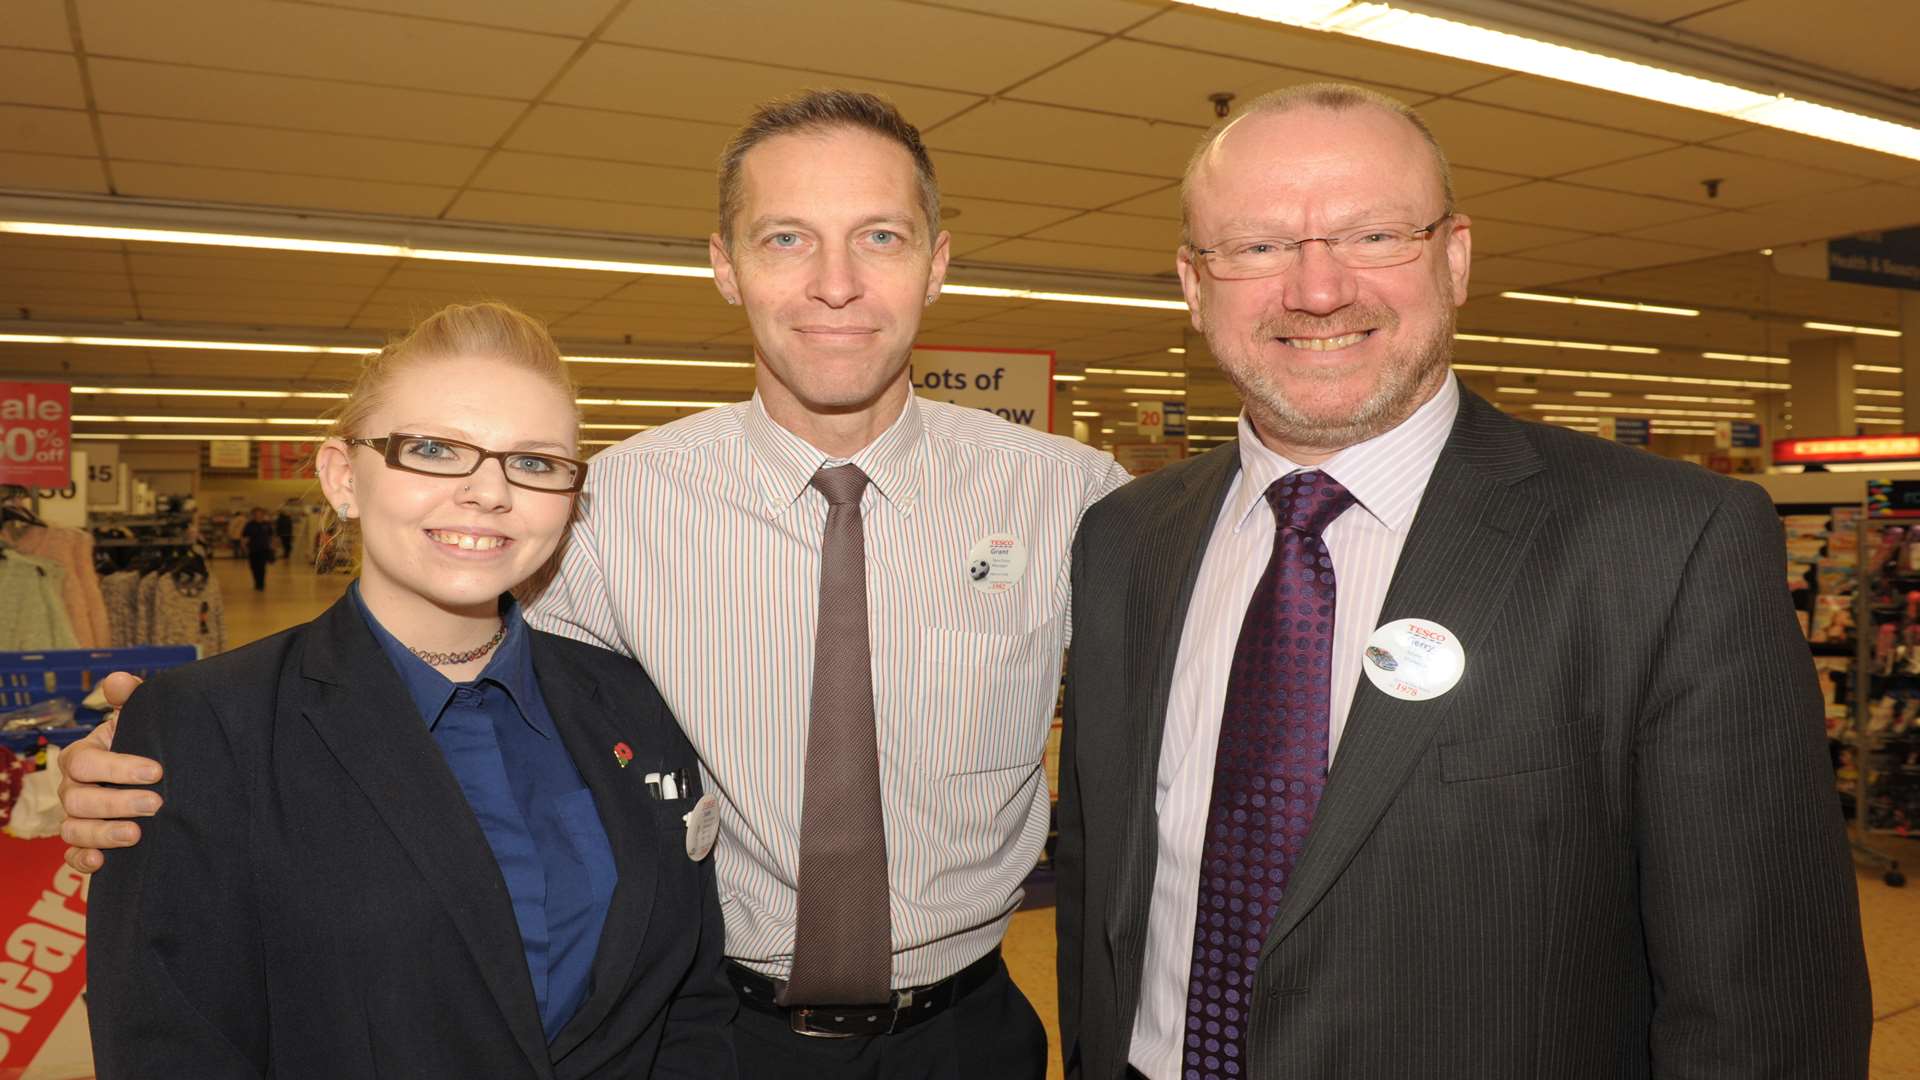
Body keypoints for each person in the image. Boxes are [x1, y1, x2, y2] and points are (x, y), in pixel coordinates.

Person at [61, 90, 1131, 1080]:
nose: (835, 282)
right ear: (725, 265)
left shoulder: (1076, 498)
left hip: (971, 1033)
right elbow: (427, 680)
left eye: (880, 237)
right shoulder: (600, 506)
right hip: (713, 1032)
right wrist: (155, 763)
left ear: (937, 263)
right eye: (786, 238)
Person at [1052, 83, 1874, 1080]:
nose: (1317, 290)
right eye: (1259, 246)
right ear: (1193, 282)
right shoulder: (1125, 541)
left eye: (1374, 235)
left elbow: (1765, 1004)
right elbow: (1105, 887)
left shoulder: (1665, 545)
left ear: (1454, 258)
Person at [85, 302, 735, 1079]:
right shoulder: (208, 725)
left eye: (533, 463)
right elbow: (171, 1040)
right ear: (342, 478)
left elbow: (689, 998)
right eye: (433, 449)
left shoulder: (630, 700)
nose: (489, 493)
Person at [240, 506, 275, 591]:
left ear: (263, 515)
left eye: (260, 514)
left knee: (262, 567)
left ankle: (261, 584)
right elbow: (245, 537)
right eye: (256, 514)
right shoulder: (249, 525)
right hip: (253, 549)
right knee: (254, 567)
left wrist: (272, 546)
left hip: (264, 549)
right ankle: (257, 582)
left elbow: (271, 536)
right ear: (253, 515)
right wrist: (244, 548)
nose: (258, 515)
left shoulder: (267, 524)